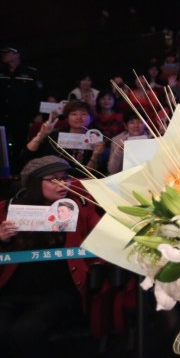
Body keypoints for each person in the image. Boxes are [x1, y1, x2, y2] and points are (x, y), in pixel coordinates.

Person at [0, 156, 101, 357]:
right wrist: (1, 239)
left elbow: (103, 239)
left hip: (58, 292)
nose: (63, 184)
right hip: (12, 291)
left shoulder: (80, 207)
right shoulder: (7, 209)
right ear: (34, 182)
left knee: (25, 333)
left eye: (65, 178)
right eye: (54, 179)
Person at [22, 100, 106, 175]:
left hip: (82, 181)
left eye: (84, 114)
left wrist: (95, 155)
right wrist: (41, 135)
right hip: (53, 177)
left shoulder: (95, 138)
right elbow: (26, 155)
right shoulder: (55, 135)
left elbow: (90, 173)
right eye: (74, 114)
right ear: (67, 118)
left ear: (91, 118)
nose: (79, 117)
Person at [0, 45, 44, 174]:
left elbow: (37, 95)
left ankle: (16, 173)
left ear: (17, 54)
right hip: (2, 115)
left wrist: (36, 114)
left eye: (8, 52)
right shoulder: (2, 71)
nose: (4, 55)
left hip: (21, 116)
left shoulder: (31, 72)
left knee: (19, 145)